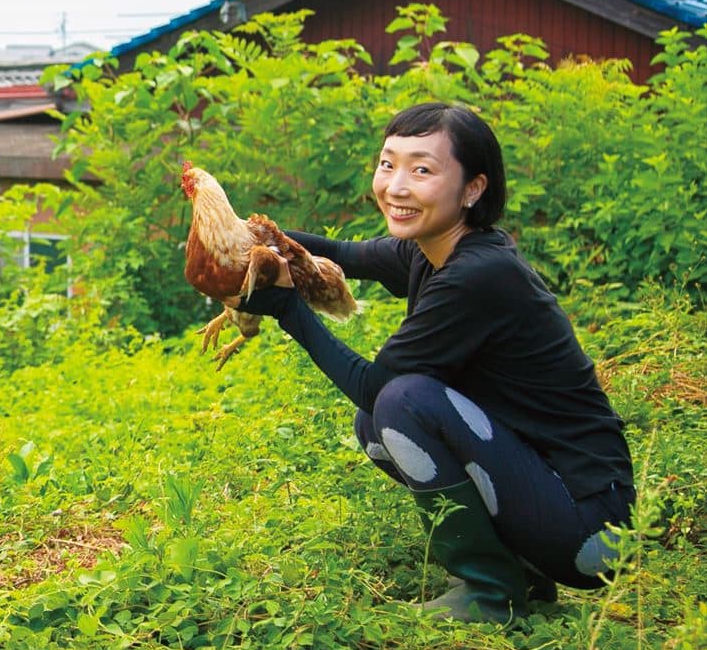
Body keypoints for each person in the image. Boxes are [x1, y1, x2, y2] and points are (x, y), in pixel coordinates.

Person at [233, 102, 634, 623]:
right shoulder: (431, 249)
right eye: (387, 164)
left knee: (399, 402)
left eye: (422, 169)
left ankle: (491, 591)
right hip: (550, 498)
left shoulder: (479, 275)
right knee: (377, 423)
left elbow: (375, 386)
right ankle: (521, 572)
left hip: (594, 531)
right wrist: (239, 238)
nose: (396, 186)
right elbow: (340, 253)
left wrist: (289, 307)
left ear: (473, 188)